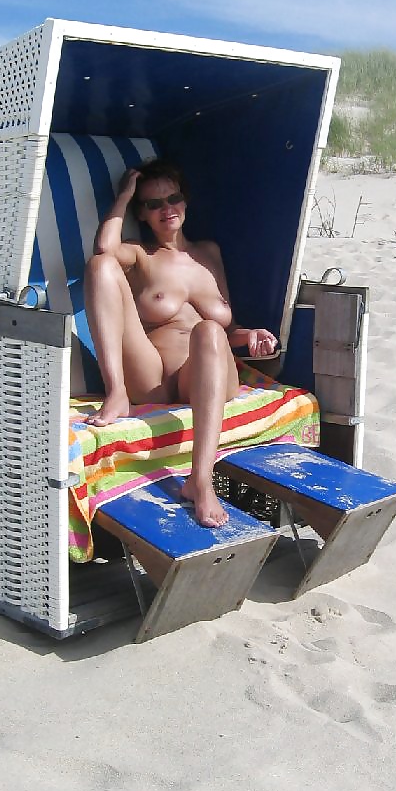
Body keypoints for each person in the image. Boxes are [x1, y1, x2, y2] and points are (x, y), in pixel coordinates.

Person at [83, 160, 278, 528]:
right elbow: (103, 248)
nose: (166, 209)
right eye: (153, 204)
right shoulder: (141, 254)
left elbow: (226, 327)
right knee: (99, 267)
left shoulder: (209, 253)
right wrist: (123, 196)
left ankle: (200, 480)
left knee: (208, 330)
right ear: (141, 213)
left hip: (205, 376)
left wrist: (249, 336)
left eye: (173, 198)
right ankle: (117, 393)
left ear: (185, 202)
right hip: (152, 375)